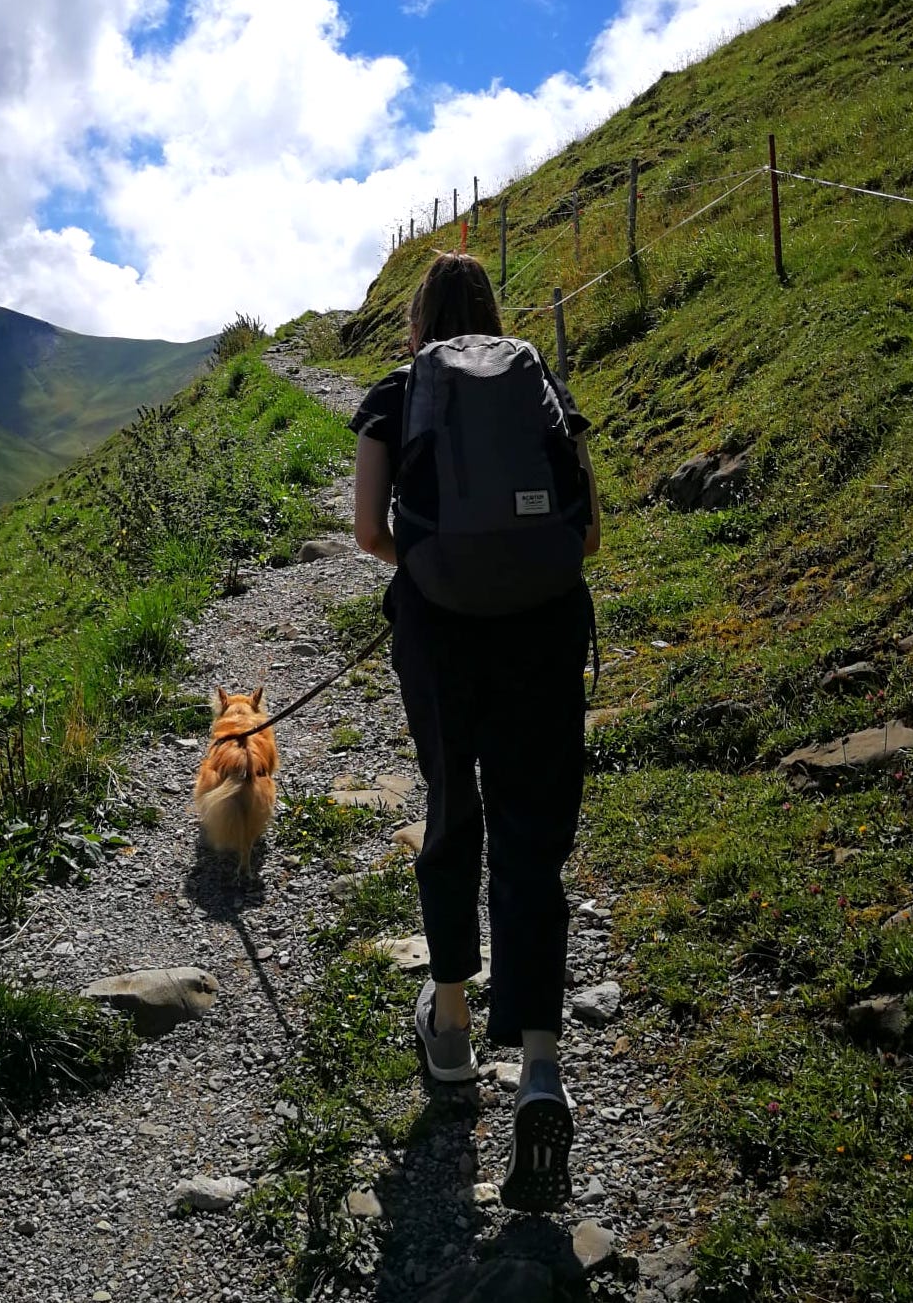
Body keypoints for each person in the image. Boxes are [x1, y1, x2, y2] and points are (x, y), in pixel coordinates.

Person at [350, 251, 600, 1213]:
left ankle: (450, 1027)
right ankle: (539, 1069)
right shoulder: (541, 380)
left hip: (440, 632)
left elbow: (370, 531)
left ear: (416, 319)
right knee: (533, 839)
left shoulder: (396, 391)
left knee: (453, 808)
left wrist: (442, 557)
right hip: (542, 629)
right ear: (493, 314)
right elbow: (584, 535)